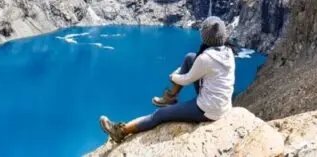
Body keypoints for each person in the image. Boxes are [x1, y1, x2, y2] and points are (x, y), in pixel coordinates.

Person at [98, 16, 236, 145]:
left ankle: (121, 131)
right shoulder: (228, 51)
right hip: (223, 104)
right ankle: (170, 97)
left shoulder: (205, 59)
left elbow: (187, 79)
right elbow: (198, 68)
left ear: (204, 37)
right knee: (189, 58)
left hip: (208, 109)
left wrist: (172, 77)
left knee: (159, 115)